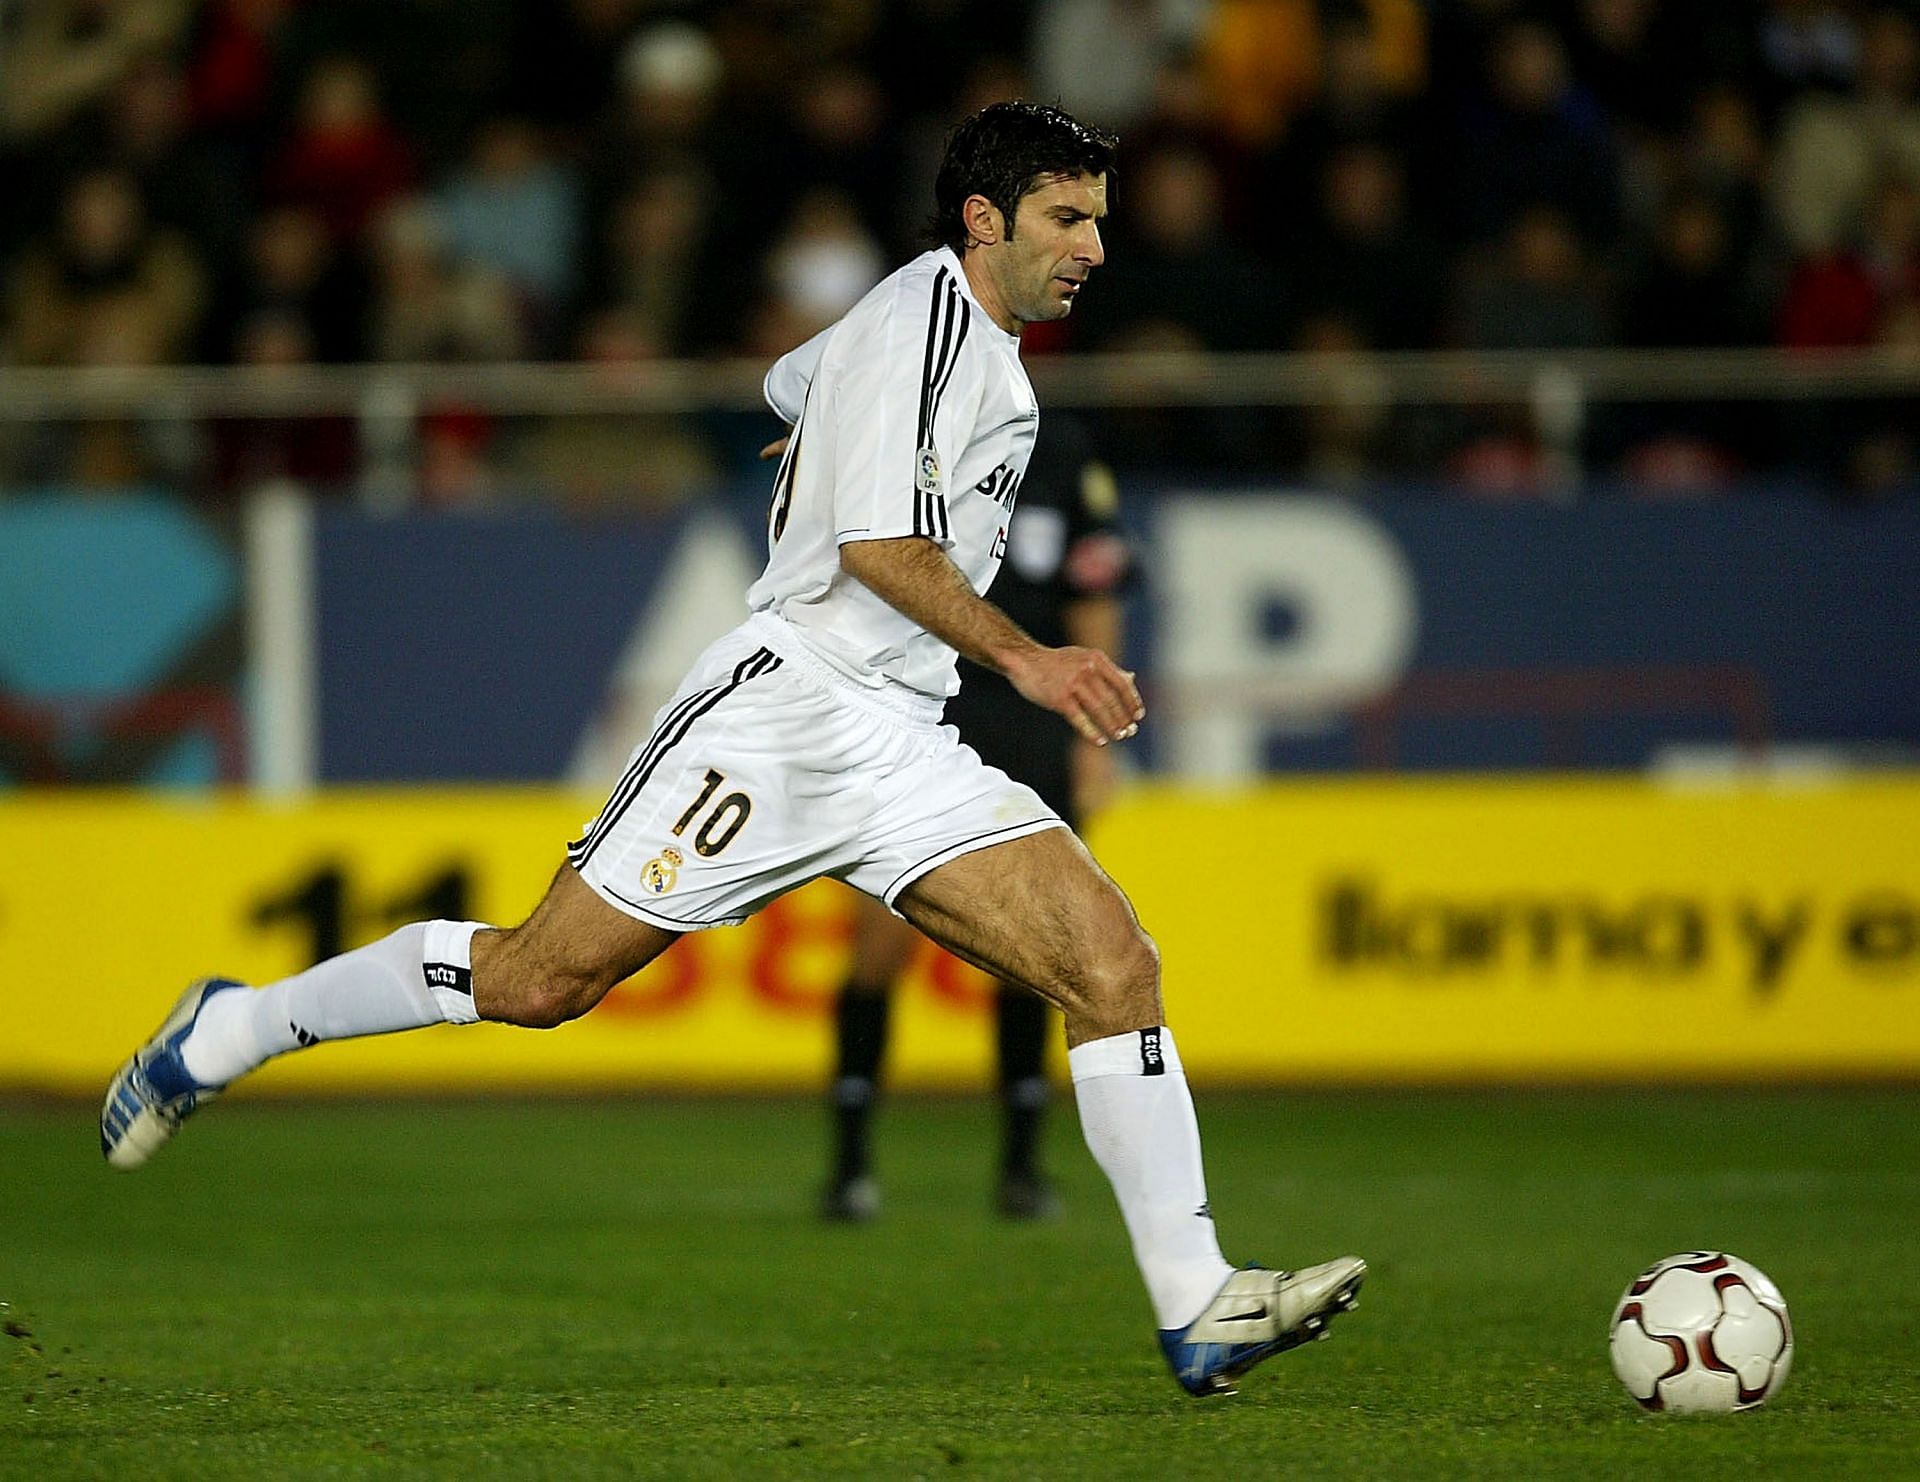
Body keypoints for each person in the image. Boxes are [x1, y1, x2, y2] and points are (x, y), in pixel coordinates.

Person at [100, 101, 1365, 1398]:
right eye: (1067, 217)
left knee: (1111, 960)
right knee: (541, 980)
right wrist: (1028, 656)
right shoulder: (930, 324)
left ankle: (1197, 1305)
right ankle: (236, 1026)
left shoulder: (960, 336)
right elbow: (880, 550)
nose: (1095, 244)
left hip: (898, 735)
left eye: (1097, 217)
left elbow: (788, 381)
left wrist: (820, 439)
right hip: (783, 712)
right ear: (984, 219)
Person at [820, 412, 1130, 1224]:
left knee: (1034, 949)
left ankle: (1022, 1166)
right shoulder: (903, 431)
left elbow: (1091, 588)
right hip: (917, 704)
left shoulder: (1060, 450)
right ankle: (851, 1163)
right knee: (879, 942)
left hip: (1030, 719)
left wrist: (1092, 741)